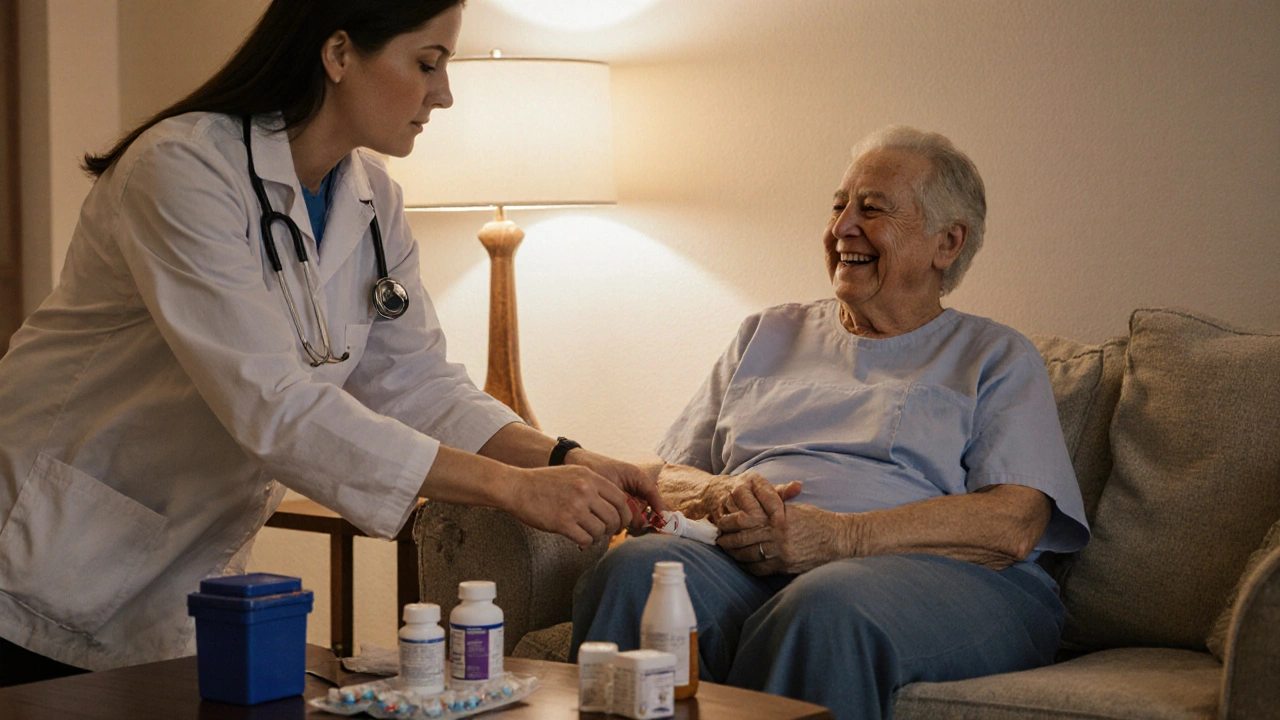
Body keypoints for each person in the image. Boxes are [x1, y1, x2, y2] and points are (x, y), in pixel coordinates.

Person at [0, 0, 664, 685]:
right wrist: (514, 488)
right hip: (41, 558)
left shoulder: (373, 200)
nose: (444, 94)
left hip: (175, 581)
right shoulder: (181, 168)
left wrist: (568, 458)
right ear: (339, 53)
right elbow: (274, 406)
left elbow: (420, 385)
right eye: (427, 63)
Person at [571, 126, 1090, 719]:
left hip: (943, 581)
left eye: (872, 210)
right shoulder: (766, 333)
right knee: (636, 571)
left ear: (946, 243)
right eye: (840, 205)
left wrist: (842, 539)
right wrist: (720, 493)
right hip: (750, 566)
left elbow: (1013, 523)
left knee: (827, 603)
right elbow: (665, 474)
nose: (843, 226)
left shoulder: (994, 355)